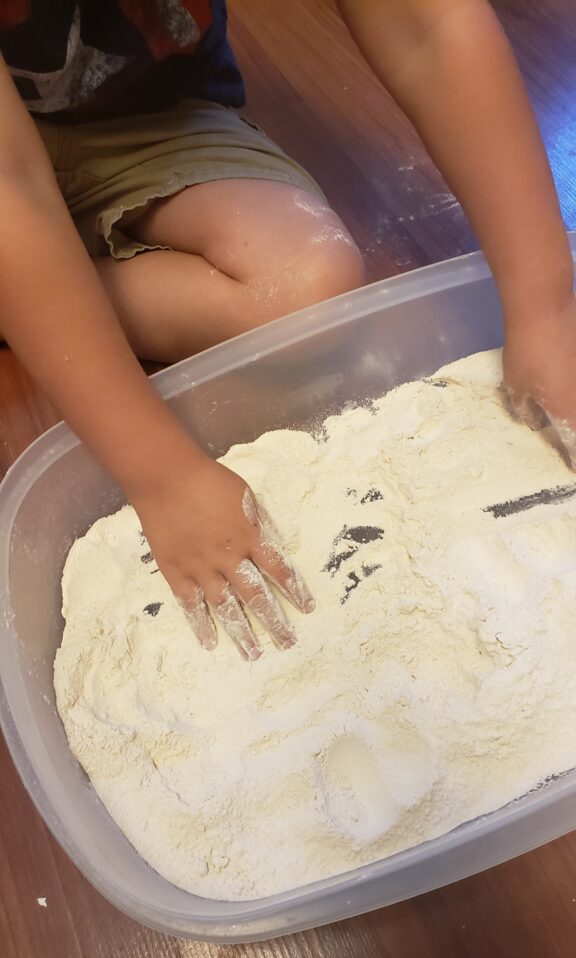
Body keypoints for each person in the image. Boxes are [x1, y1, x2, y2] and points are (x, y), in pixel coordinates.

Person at [0, 0, 574, 660]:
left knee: (305, 285)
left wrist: (546, 307)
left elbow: (427, 27)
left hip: (150, 117)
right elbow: (10, 183)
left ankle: (38, 295)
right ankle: (30, 296)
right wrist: (165, 475)